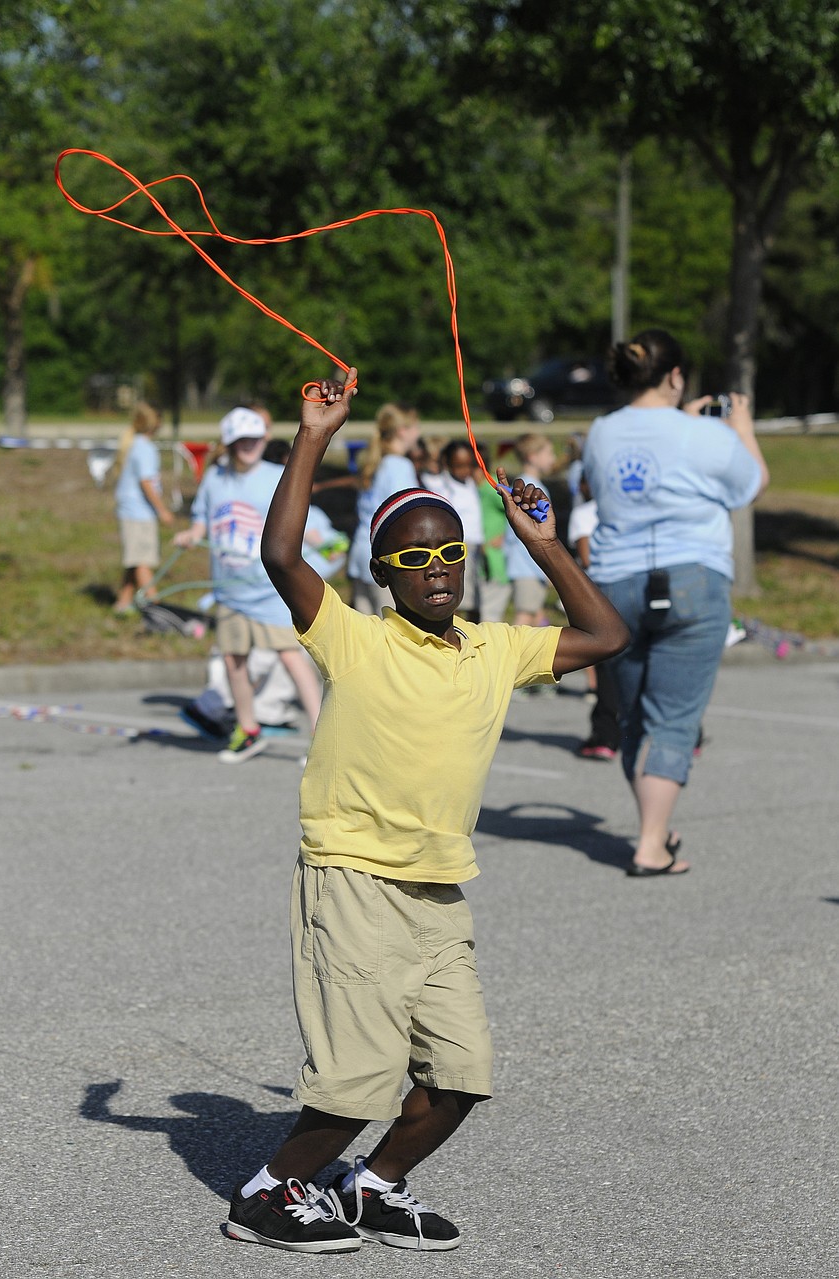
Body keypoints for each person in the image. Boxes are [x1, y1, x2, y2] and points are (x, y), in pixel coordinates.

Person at [221, 367, 629, 1254]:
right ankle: (267, 1192)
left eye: (448, 551)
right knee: (359, 1079)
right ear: (381, 573)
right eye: (412, 557)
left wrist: (541, 542)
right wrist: (315, 438)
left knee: (462, 1073)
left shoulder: (495, 649)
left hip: (438, 890)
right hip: (355, 877)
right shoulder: (355, 638)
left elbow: (605, 635)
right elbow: (282, 557)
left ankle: (371, 1185)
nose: (435, 567)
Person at [583, 329, 769, 876]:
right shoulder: (702, 436)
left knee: (633, 712)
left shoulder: (600, 433)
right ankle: (649, 844)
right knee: (675, 717)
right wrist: (741, 427)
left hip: (616, 583)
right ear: (675, 376)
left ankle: (656, 830)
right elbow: (751, 484)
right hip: (693, 578)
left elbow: (598, 487)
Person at [174, 407, 323, 763]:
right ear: (228, 444)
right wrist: (192, 534)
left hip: (269, 590)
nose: (247, 446)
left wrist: (313, 533)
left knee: (291, 657)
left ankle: (322, 737)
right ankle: (248, 729)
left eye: (254, 439)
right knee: (233, 660)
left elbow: (299, 513)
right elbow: (201, 518)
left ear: (264, 439)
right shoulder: (215, 479)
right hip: (231, 590)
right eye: (240, 441)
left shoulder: (277, 474)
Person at [346, 402, 421, 613]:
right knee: (389, 630)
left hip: (361, 551)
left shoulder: (375, 462)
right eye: (416, 427)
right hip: (385, 555)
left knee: (364, 631)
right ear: (402, 431)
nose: (418, 433)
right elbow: (404, 516)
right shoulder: (399, 466)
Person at [567, 471, 621, 760]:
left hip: (603, 592)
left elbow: (586, 558)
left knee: (607, 669)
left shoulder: (584, 514)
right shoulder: (625, 509)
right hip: (634, 586)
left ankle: (606, 736)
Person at [112, 403, 174, 614]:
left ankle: (123, 603)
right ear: (155, 424)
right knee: (141, 561)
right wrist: (162, 510)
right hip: (137, 513)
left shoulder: (136, 445)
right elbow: (146, 483)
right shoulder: (145, 449)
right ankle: (156, 608)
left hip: (133, 511)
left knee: (134, 558)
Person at [502, 433, 557, 627]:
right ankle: (511, 657)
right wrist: (546, 566)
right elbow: (533, 533)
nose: (553, 458)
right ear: (533, 456)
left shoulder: (527, 485)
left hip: (529, 565)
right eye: (549, 453)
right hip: (528, 565)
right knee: (524, 618)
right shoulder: (530, 488)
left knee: (535, 615)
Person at [425, 440, 484, 618]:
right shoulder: (441, 486)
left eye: (468, 465)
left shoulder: (472, 484)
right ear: (447, 463)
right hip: (457, 547)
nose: (464, 470)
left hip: (476, 546)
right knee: (455, 593)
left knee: (476, 595)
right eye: (458, 466)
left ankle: (473, 632)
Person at [475, 442, 511, 623]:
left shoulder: (491, 489)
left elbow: (514, 510)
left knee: (489, 619)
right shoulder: (472, 489)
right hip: (480, 564)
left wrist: (505, 535)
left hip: (495, 563)